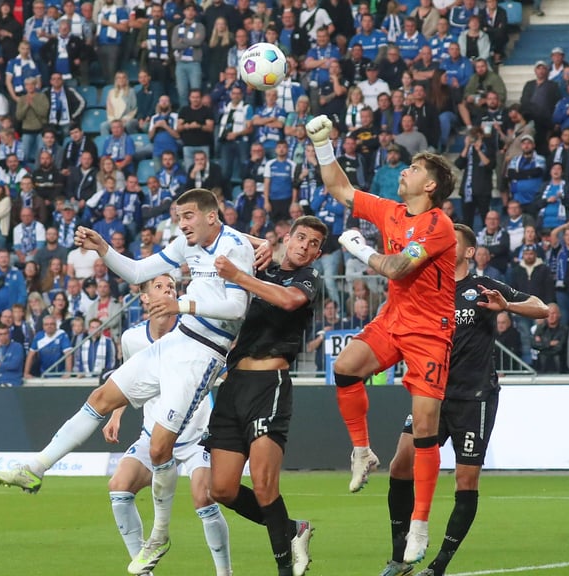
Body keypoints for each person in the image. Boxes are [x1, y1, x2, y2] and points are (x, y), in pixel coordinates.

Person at [0, 188, 254, 576]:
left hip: (203, 354)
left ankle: (160, 535)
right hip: (177, 342)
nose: (181, 224)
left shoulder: (234, 247)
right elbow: (137, 272)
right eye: (179, 217)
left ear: (211, 216)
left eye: (188, 216)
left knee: (162, 448)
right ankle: (36, 466)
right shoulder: (186, 244)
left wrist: (182, 304)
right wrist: (102, 250)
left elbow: (236, 307)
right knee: (101, 396)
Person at [305, 113, 457, 564]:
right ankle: (362, 451)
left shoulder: (437, 225)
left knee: (425, 429)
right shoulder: (390, 210)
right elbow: (340, 189)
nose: (403, 172)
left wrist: (357, 247)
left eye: (412, 169)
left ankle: (421, 524)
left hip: (430, 333)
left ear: (429, 186)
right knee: (345, 366)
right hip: (394, 320)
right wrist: (323, 143)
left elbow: (397, 268)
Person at [379, 223, 549, 576]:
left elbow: (541, 307)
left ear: (469, 251)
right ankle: (399, 557)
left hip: (475, 398)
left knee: (465, 481)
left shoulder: (483, 287)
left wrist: (508, 307)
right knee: (399, 466)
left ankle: (439, 565)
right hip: (432, 396)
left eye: (451, 242)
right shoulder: (426, 287)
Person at [207, 216, 328, 576]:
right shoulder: (263, 265)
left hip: (268, 386)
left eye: (312, 244)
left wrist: (242, 277)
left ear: (318, 253)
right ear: (287, 239)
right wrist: (256, 240)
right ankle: (292, 529)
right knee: (222, 490)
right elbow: (224, 235)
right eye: (300, 238)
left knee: (263, 484)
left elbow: (290, 301)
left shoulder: (308, 280)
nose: (304, 246)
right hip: (232, 388)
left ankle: (285, 571)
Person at [103, 273, 232, 576]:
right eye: (159, 286)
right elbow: (129, 380)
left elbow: (225, 375)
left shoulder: (194, 332)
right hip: (153, 435)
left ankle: (225, 573)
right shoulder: (132, 338)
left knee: (204, 499)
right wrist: (116, 414)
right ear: (144, 297)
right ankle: (144, 570)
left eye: (171, 287)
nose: (167, 290)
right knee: (118, 487)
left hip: (196, 436)